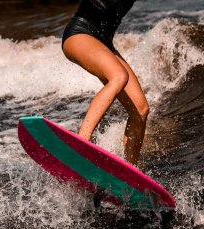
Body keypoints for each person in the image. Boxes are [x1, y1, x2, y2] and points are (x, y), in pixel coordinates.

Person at [62, 0, 149, 166]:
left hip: (105, 42)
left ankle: (130, 171)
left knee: (140, 110)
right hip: (81, 33)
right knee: (119, 76)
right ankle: (81, 143)